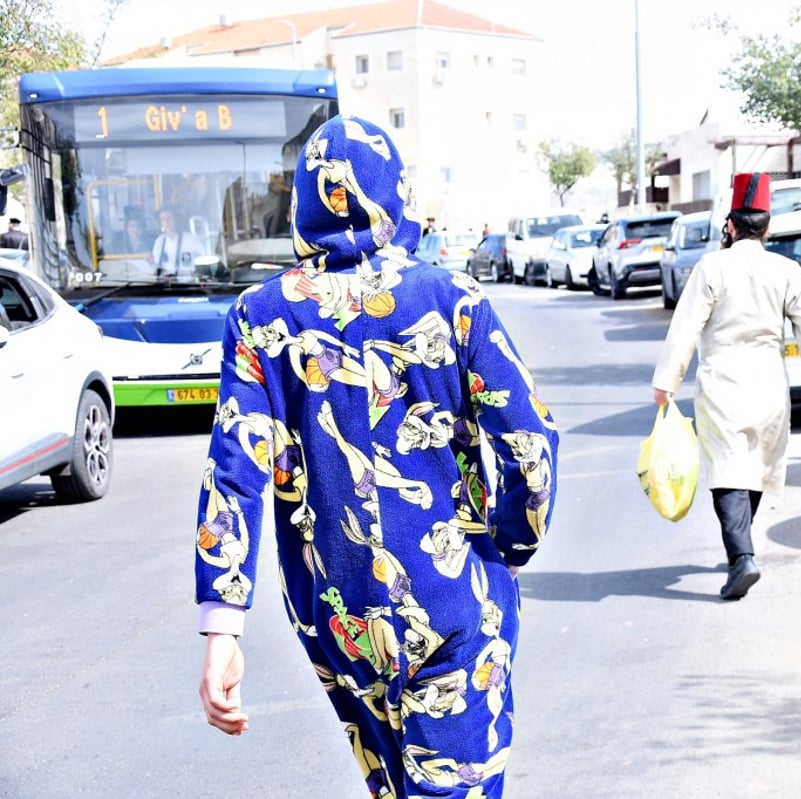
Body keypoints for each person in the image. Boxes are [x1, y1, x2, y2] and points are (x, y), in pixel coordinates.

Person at [194, 114, 559, 798]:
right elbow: (530, 446)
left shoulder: (261, 316)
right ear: (394, 195)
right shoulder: (452, 300)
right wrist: (509, 544)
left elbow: (235, 469)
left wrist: (222, 623)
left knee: (393, 784)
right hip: (454, 598)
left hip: (336, 612)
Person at [651, 172, 801, 600]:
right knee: (753, 464)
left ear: (729, 226)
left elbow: (686, 326)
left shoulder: (712, 265)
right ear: (767, 228)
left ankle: (740, 557)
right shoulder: (787, 269)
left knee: (728, 469)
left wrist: (666, 381)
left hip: (722, 381)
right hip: (769, 381)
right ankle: (742, 549)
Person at [149, 206, 207, 278]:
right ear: (160, 223)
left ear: (175, 219)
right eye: (163, 219)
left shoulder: (190, 239)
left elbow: (206, 257)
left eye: (169, 217)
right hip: (166, 285)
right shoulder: (159, 242)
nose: (167, 222)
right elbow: (156, 265)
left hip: (187, 284)